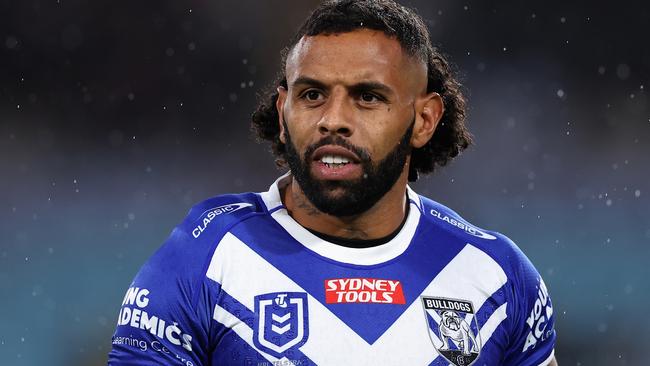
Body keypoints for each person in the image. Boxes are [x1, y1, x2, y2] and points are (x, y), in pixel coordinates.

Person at [108, 0, 558, 365]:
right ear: (283, 113)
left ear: (424, 120)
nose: (333, 121)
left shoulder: (494, 277)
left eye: (367, 97)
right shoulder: (206, 256)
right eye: (312, 95)